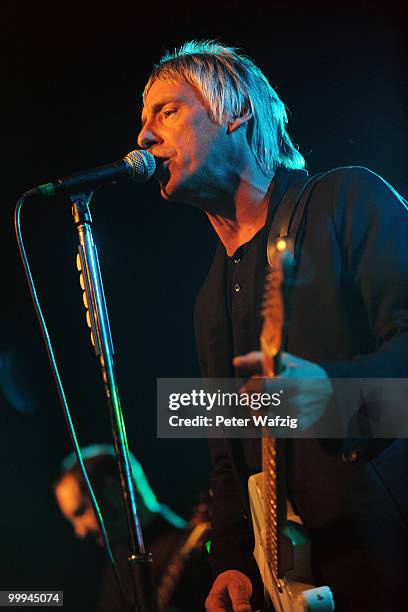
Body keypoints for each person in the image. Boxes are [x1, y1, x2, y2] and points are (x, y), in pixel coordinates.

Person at [137, 41, 408, 611]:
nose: (144, 137)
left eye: (168, 111)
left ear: (236, 112)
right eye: (144, 121)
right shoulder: (208, 298)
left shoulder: (346, 200)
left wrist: (334, 398)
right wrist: (232, 561)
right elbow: (226, 457)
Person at [54, 444, 211, 611]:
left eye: (80, 512)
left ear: (114, 489)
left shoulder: (194, 550)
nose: (80, 532)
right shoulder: (118, 565)